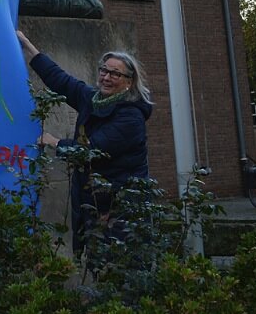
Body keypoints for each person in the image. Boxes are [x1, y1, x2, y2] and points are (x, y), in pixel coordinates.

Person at [16, 30, 153, 253]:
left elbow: (92, 150)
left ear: (129, 82)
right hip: (93, 204)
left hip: (120, 210)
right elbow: (61, 80)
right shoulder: (94, 100)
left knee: (120, 263)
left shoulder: (131, 117)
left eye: (115, 74)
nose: (106, 77)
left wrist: (55, 142)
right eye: (104, 70)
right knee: (96, 262)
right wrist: (27, 45)